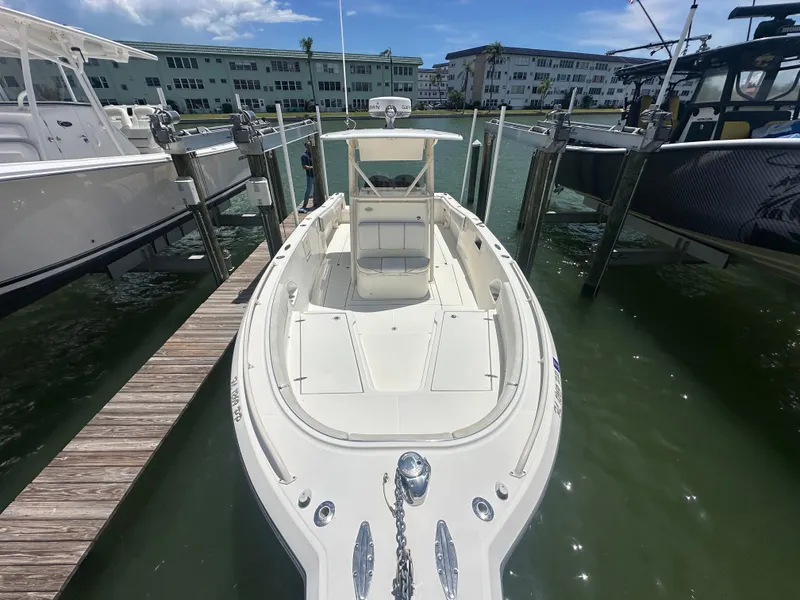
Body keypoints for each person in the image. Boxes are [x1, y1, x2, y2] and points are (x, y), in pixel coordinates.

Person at [299, 140, 314, 213]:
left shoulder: (314, 153)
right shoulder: (304, 156)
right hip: (310, 176)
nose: (309, 147)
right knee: (308, 190)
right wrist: (314, 167)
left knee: (316, 190)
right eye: (308, 146)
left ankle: (316, 203)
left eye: (310, 145)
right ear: (306, 147)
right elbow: (304, 167)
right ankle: (304, 205)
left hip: (316, 175)